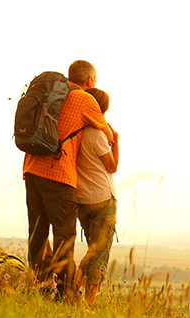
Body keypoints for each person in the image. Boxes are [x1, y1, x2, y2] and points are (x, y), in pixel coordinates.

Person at [23, 60, 114, 298]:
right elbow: (107, 134)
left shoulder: (51, 92)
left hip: (32, 168)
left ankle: (42, 290)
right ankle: (64, 296)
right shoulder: (86, 99)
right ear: (90, 81)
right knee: (64, 236)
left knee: (38, 234)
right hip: (59, 173)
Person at [76, 88, 119, 305]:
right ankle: (89, 301)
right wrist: (117, 141)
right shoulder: (98, 134)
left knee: (93, 249)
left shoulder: (75, 131)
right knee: (99, 253)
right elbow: (112, 166)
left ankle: (73, 290)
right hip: (102, 197)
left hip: (81, 199)